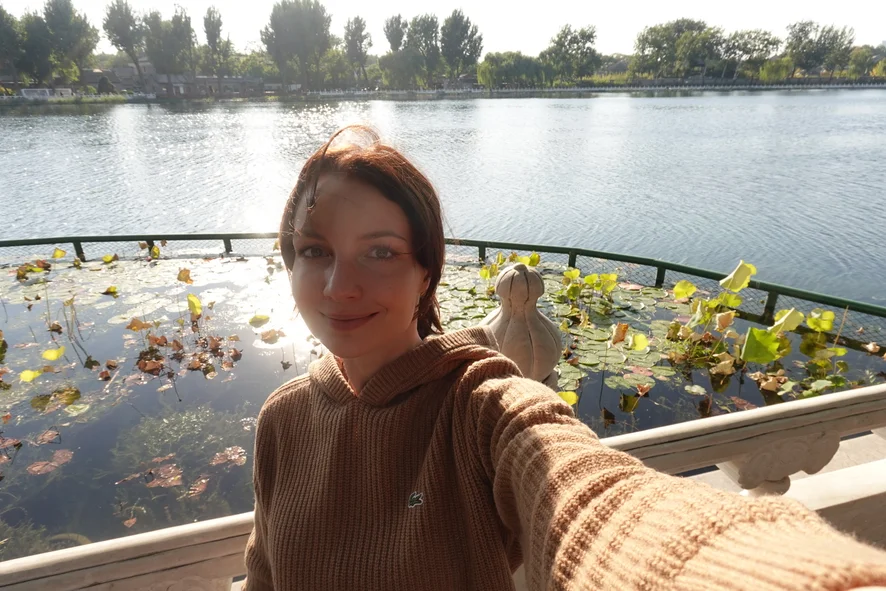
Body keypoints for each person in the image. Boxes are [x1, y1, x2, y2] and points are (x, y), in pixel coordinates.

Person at [244, 125, 886, 590]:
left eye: (380, 251)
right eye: (315, 250)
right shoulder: (283, 419)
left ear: (426, 274)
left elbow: (597, 502)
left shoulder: (480, 408)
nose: (339, 286)